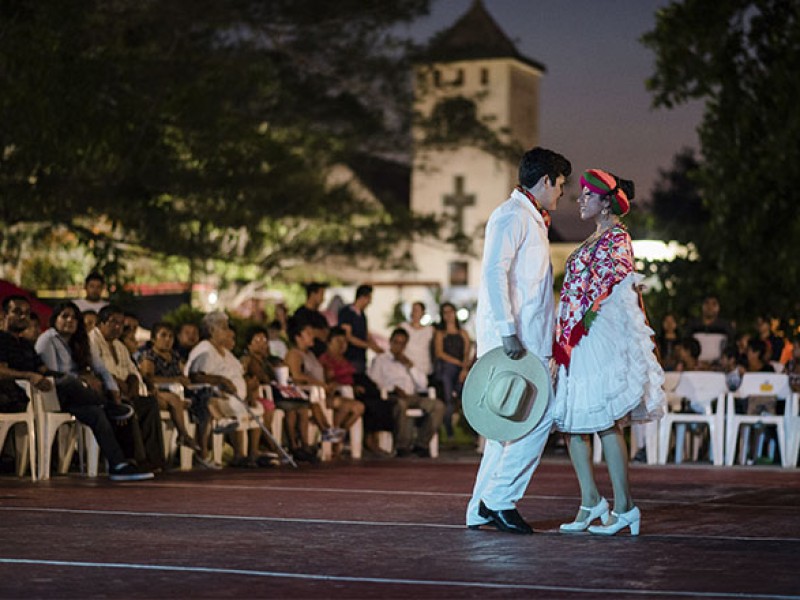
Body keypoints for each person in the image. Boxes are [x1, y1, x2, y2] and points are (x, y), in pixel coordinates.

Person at [552, 168, 665, 537]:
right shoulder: (592, 240)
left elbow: (610, 290)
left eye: (588, 195)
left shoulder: (617, 238)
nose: (580, 200)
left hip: (595, 337)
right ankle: (590, 501)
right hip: (576, 339)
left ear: (605, 204)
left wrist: (579, 333)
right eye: (581, 194)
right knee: (572, 425)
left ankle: (625, 506)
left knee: (603, 422)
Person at [466, 146, 571, 534]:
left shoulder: (528, 218)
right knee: (542, 416)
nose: (561, 193)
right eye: (560, 185)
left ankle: (480, 506)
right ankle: (499, 499)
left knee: (504, 427)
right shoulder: (511, 215)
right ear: (545, 181)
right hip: (515, 343)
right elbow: (495, 273)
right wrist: (509, 332)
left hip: (526, 340)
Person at [32, 300, 153, 481]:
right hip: (56, 394)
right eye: (64, 316)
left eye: (74, 317)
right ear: (55, 319)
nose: (69, 320)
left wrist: (114, 393)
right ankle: (109, 406)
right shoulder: (47, 339)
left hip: (81, 399)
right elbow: (50, 372)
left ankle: (118, 465)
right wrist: (82, 378)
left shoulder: (80, 341)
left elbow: (101, 369)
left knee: (98, 414)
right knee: (69, 381)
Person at [89, 305, 165, 472]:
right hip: (106, 395)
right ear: (101, 323)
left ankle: (154, 459)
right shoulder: (92, 341)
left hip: (125, 393)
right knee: (128, 409)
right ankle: (136, 460)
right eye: (113, 322)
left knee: (150, 403)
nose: (118, 327)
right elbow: (99, 370)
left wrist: (131, 388)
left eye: (121, 323)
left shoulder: (119, 345)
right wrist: (120, 388)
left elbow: (133, 373)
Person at [185, 311, 266, 466]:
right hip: (215, 397)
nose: (228, 331)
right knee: (236, 406)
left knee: (256, 407)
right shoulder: (205, 350)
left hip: (236, 397)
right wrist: (221, 380)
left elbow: (240, 373)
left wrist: (248, 387)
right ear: (211, 330)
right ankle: (230, 454)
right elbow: (196, 376)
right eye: (224, 327)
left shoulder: (226, 352)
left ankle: (242, 455)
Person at [368, 328, 445, 458]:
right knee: (401, 405)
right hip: (393, 396)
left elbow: (423, 384)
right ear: (391, 342)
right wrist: (393, 388)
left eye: (402, 343)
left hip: (413, 396)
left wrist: (410, 366)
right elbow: (374, 381)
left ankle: (422, 444)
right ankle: (402, 446)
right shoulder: (381, 360)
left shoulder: (408, 360)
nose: (399, 346)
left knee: (438, 405)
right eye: (396, 342)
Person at [321, 326, 393, 455]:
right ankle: (334, 440)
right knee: (360, 406)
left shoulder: (344, 359)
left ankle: (341, 436)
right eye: (338, 341)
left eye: (345, 342)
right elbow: (329, 380)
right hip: (339, 393)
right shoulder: (326, 359)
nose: (342, 345)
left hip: (352, 389)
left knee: (379, 403)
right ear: (329, 342)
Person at [432, 302, 472, 438]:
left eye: (450, 312)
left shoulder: (463, 333)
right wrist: (458, 363)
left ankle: (468, 428)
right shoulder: (440, 333)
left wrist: (464, 368)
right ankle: (448, 428)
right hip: (447, 370)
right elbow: (439, 353)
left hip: (460, 370)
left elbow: (467, 352)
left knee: (465, 398)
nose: (448, 315)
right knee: (448, 398)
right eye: (445, 312)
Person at [338, 284, 383, 374]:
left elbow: (366, 334)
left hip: (361, 357)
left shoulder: (362, 315)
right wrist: (368, 345)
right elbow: (348, 336)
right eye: (369, 299)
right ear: (362, 297)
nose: (369, 302)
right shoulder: (347, 312)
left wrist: (376, 347)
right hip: (350, 357)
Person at [293, 282, 330, 357]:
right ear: (313, 294)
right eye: (321, 294)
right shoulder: (300, 314)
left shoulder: (320, 317)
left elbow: (327, 335)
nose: (323, 298)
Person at [400, 301, 434, 379]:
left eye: (417, 310)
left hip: (423, 366)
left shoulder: (430, 330)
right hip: (406, 365)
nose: (414, 312)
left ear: (423, 313)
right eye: (413, 310)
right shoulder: (403, 327)